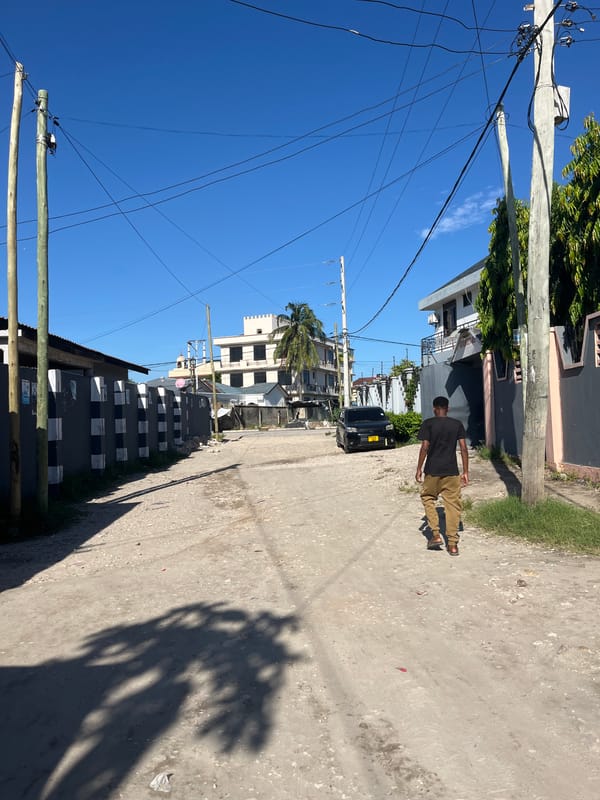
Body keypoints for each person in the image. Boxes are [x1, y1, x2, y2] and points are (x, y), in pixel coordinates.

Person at [415, 396, 469, 556]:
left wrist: (419, 468)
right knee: (452, 505)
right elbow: (464, 448)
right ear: (448, 408)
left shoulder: (428, 424)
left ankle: (436, 534)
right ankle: (452, 544)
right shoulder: (457, 424)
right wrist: (465, 471)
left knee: (428, 497)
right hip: (451, 471)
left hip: (432, 470)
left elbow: (425, 447)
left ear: (434, 408)